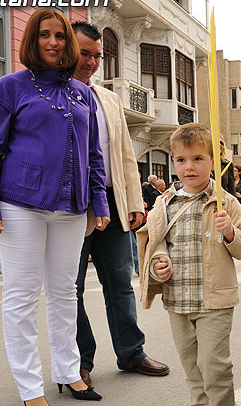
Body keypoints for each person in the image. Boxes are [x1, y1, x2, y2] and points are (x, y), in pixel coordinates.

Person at [0, 10, 109, 405]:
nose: (53, 42)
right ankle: (30, 389)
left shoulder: (83, 94)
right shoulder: (10, 87)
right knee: (22, 296)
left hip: (71, 207)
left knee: (66, 292)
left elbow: (93, 156)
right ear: (32, 41)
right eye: (45, 35)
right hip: (20, 206)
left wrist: (98, 201)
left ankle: (69, 371)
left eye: (60, 36)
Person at [71, 22, 169, 390]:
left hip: (111, 203)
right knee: (71, 289)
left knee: (120, 284)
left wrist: (134, 200)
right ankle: (78, 362)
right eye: (85, 53)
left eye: (98, 56)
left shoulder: (108, 99)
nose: (93, 62)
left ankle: (131, 351)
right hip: (70, 208)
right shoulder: (50, 93)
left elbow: (126, 155)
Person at [137, 124, 241, 406]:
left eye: (198, 159)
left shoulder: (225, 203)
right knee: (192, 369)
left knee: (214, 368)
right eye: (181, 160)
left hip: (214, 301)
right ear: (173, 161)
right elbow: (153, 242)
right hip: (177, 299)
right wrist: (157, 265)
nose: (189, 167)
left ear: (213, 162)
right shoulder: (165, 203)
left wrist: (230, 232)